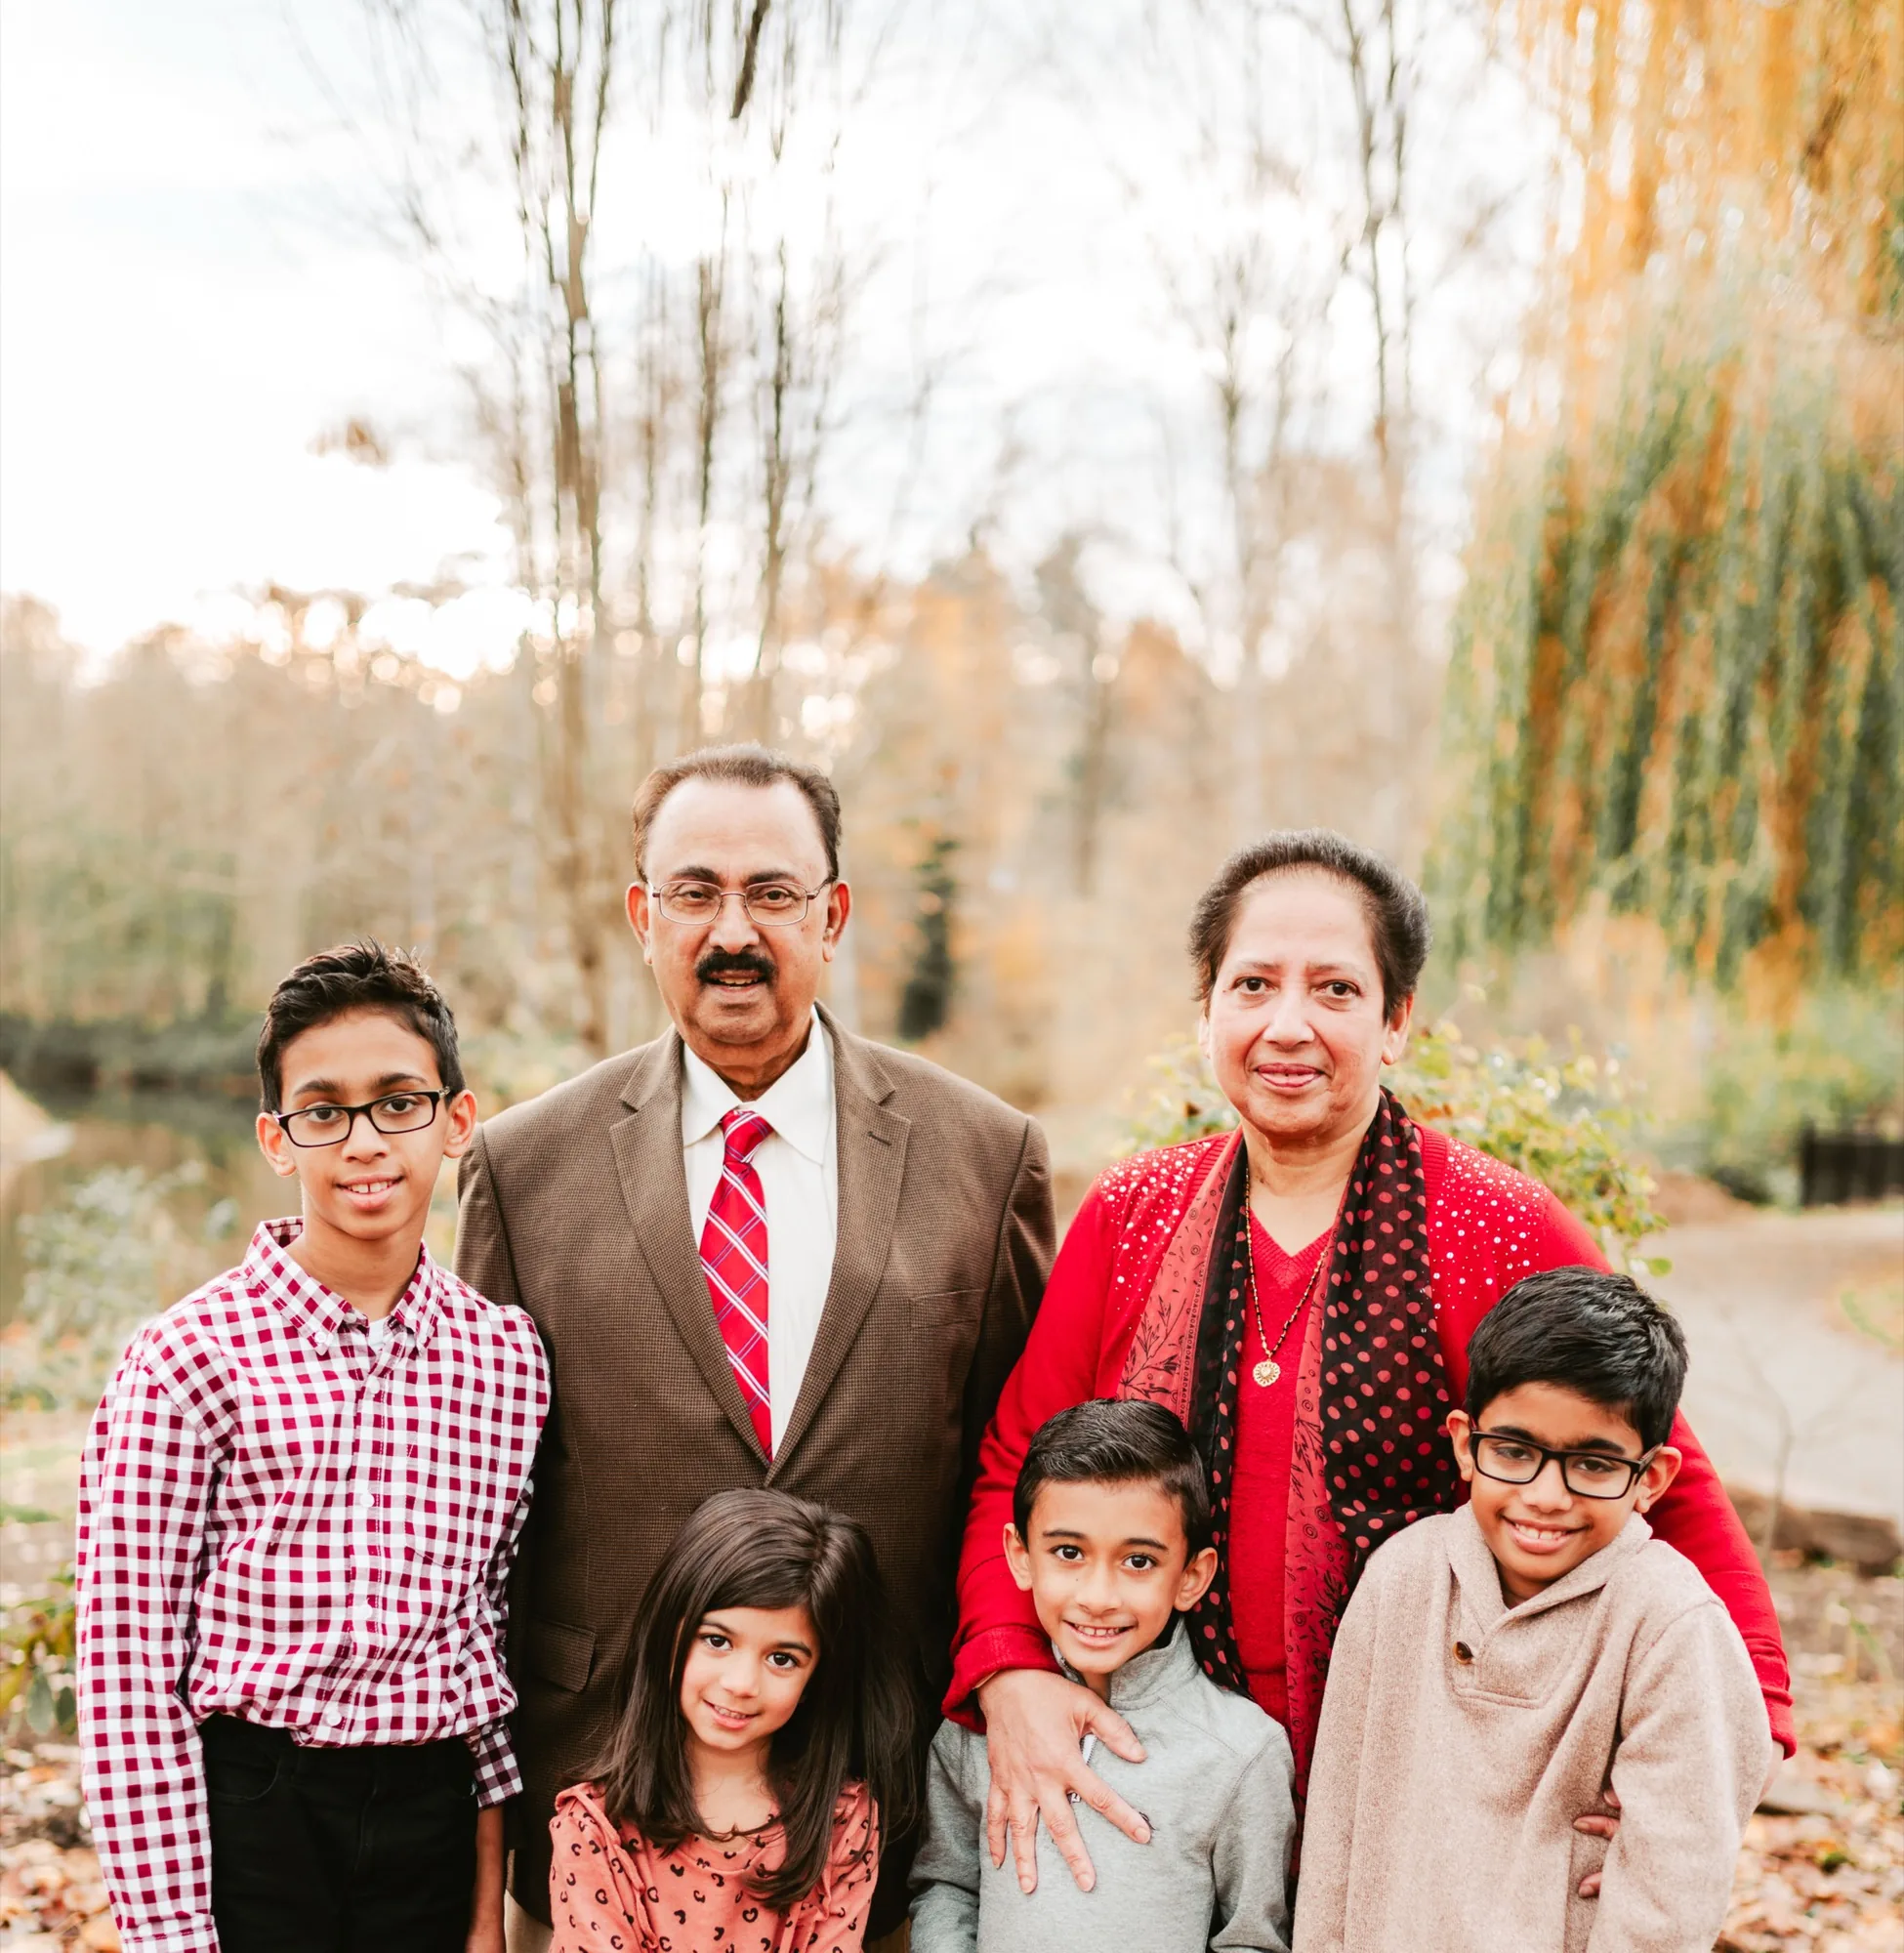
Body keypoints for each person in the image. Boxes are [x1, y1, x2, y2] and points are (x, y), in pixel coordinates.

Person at [948, 830, 1792, 1895]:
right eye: (1253, 984)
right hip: (1151, 1766)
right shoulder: (1131, 1215)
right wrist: (1012, 1671)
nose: (1287, 1024)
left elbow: (1663, 1481)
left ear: (1396, 1023)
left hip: (1430, 1784)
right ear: (1207, 1012)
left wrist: (1732, 1737)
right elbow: (1015, 1465)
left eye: (1336, 989)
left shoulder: (1495, 1225)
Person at [455, 744, 1055, 1947]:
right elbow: (475, 1523)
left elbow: (1022, 1479)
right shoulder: (522, 1168)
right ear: (644, 917)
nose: (734, 930)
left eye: (773, 892)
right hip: (594, 1825)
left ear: (833, 915)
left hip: (889, 1823)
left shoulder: (985, 1158)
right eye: (696, 891)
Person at [75, 941, 550, 1953]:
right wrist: (174, 1935)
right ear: (277, 1139)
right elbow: (128, 1676)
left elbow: (484, 1645)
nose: (364, 1140)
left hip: (429, 1820)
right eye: (323, 1111)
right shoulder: (187, 1359)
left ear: (456, 1120)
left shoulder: (506, 1360)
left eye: (399, 1102)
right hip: (256, 1813)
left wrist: (484, 1914)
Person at [1294, 1267, 1774, 1951]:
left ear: (1652, 1478)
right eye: (1515, 1452)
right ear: (1466, 1445)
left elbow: (1674, 1891)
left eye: (1594, 1464)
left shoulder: (1668, 1622)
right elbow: (1337, 1820)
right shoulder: (1402, 1578)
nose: (1547, 1496)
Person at [912, 1400, 1295, 1953]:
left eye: (1138, 1561)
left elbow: (1250, 1939)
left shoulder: (1241, 1751)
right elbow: (946, 1886)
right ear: (1020, 1555)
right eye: (1069, 1552)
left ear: (1191, 1577)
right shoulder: (987, 1729)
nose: (1098, 1597)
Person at [549, 1489, 911, 1953]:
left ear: (817, 1678)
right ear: (667, 1632)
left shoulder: (844, 1821)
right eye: (717, 1641)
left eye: (782, 1658)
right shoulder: (595, 1828)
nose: (741, 1684)